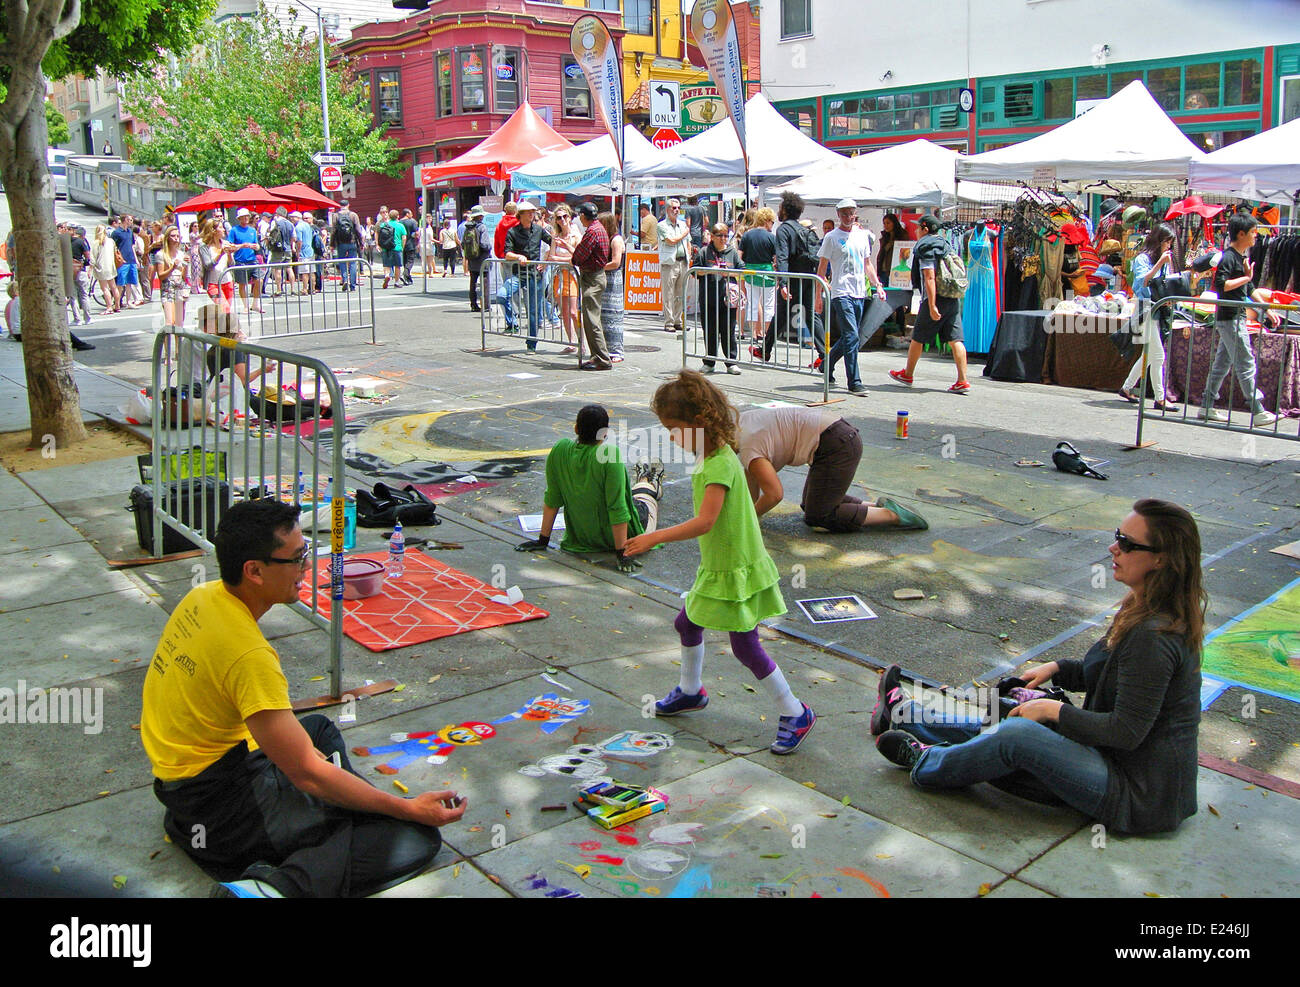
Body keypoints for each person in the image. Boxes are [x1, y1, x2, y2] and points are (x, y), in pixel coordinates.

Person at [141, 499, 465, 897]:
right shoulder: (248, 656)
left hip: (187, 788)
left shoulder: (204, 597)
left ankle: (336, 817)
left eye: (307, 553)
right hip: (223, 804)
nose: (307, 568)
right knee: (412, 837)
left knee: (319, 730)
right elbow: (306, 773)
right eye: (297, 559)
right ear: (254, 571)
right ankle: (275, 888)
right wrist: (405, 808)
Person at [872, 499, 1205, 836]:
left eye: (1127, 544)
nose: (1113, 548)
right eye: (1118, 536)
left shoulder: (1154, 636)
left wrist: (1051, 710)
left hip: (1136, 794)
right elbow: (1104, 672)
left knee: (1018, 734)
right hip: (1111, 761)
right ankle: (904, 715)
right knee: (1008, 716)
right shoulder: (1141, 606)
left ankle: (926, 763)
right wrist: (1057, 669)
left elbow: (1126, 732)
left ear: (1162, 559)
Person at [623, 371, 816, 755]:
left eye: (674, 428)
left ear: (699, 423)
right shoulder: (714, 455)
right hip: (723, 564)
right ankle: (692, 692)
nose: (672, 437)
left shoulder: (716, 465)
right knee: (686, 622)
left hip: (733, 567)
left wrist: (653, 536)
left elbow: (705, 521)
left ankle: (795, 711)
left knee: (745, 646)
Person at [515, 405, 663, 571]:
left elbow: (552, 498)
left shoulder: (560, 449)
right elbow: (618, 509)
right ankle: (649, 478)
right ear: (605, 433)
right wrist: (622, 554)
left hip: (581, 539)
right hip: (620, 536)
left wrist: (543, 540)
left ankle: (645, 477)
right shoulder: (609, 455)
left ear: (576, 428)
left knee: (634, 496)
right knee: (646, 499)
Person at [740, 406, 929, 532]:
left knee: (819, 516)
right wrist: (750, 511)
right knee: (810, 505)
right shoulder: (740, 422)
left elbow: (774, 494)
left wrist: (746, 522)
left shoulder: (748, 446)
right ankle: (876, 507)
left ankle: (892, 515)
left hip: (836, 444)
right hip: (835, 436)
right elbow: (752, 478)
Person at [1198, 213, 1279, 427]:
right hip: (1230, 318)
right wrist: (1246, 277)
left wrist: (1266, 310)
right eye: (1253, 232)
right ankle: (1257, 409)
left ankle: (1206, 406)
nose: (1255, 236)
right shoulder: (1228, 257)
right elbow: (1222, 285)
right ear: (1241, 233)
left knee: (1222, 364)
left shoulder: (1240, 257)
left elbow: (1249, 288)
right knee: (1245, 362)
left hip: (1234, 318)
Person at [888, 214, 971, 394]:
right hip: (952, 296)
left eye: (918, 228)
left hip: (936, 297)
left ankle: (908, 374)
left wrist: (932, 304)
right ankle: (963, 380)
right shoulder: (945, 244)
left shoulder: (926, 247)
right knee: (955, 339)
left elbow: (929, 276)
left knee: (918, 337)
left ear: (925, 229)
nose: (916, 231)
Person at [816, 197, 884, 395]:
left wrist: (877, 284)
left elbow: (867, 264)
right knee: (852, 335)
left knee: (849, 336)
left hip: (859, 292)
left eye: (850, 213)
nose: (847, 217)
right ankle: (854, 381)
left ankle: (826, 363)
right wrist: (818, 296)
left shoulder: (862, 236)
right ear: (838, 215)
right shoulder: (831, 238)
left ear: (855, 214)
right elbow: (822, 268)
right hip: (841, 292)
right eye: (844, 213)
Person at [1118, 223, 1180, 411]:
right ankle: (1160, 399)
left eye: (1170, 243)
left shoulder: (1162, 259)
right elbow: (1143, 282)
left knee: (1149, 355)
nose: (1168, 246)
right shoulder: (1143, 259)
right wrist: (1161, 263)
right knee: (1158, 355)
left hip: (1158, 309)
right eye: (1167, 242)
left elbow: (1164, 285)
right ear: (1158, 241)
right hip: (1145, 309)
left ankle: (1127, 387)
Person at [758, 192, 820, 363]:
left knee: (783, 313)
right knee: (807, 315)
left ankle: (765, 350)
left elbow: (782, 257)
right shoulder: (803, 229)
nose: (779, 210)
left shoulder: (784, 229)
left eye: (780, 207)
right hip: (807, 277)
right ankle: (824, 354)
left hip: (792, 278)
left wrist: (783, 282)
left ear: (785, 209)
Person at [503, 200, 553, 353]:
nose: (532, 214)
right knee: (502, 295)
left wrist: (546, 260)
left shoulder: (538, 230)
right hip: (519, 274)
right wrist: (518, 256)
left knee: (533, 310)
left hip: (534, 275)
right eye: (529, 212)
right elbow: (507, 253)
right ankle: (512, 323)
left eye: (533, 212)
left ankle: (531, 343)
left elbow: (553, 242)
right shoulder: (513, 232)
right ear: (521, 215)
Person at [696, 222, 742, 375]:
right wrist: (710, 270)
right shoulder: (704, 252)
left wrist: (729, 272)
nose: (723, 239)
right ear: (712, 236)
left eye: (726, 236)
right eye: (720, 236)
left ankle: (731, 362)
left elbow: (742, 271)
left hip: (727, 299)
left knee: (728, 330)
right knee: (710, 330)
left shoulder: (732, 252)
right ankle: (709, 362)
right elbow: (695, 272)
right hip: (708, 298)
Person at [572, 201, 611, 371]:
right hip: (596, 276)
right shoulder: (598, 228)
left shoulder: (593, 231)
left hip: (593, 277)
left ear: (583, 216)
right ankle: (597, 356)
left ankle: (602, 358)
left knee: (592, 321)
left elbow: (580, 254)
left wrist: (575, 259)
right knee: (591, 319)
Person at [739, 206, 778, 347]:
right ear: (767, 220)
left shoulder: (747, 235)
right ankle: (767, 336)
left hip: (750, 273)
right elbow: (776, 259)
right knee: (768, 305)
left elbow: (740, 256)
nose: (772, 224)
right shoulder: (772, 237)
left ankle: (754, 335)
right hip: (767, 273)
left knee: (752, 303)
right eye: (772, 222)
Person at [548, 206, 581, 354]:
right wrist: (566, 259)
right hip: (559, 276)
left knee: (574, 312)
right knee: (565, 312)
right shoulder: (556, 236)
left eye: (564, 216)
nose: (562, 220)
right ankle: (571, 342)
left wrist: (566, 249)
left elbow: (577, 257)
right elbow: (551, 257)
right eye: (559, 218)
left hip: (572, 275)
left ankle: (581, 342)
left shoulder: (575, 235)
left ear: (569, 217)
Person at [657, 198, 690, 333]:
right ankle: (669, 322)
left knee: (681, 293)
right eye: (673, 208)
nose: (676, 210)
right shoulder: (662, 225)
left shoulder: (682, 224)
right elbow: (671, 241)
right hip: (670, 263)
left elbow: (688, 242)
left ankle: (678, 320)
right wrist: (684, 234)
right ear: (667, 210)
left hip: (683, 261)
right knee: (668, 293)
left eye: (678, 208)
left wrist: (689, 255)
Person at [598, 211, 627, 364]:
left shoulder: (616, 239)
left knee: (613, 315)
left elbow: (615, 262)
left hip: (613, 279)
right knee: (603, 316)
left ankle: (616, 350)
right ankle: (605, 349)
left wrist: (598, 267)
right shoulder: (604, 238)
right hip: (603, 278)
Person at [227, 208, 263, 316]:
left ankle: (255, 303)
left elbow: (257, 245)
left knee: (259, 280)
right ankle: (246, 306)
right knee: (242, 284)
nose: (246, 218)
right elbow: (230, 246)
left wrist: (255, 246)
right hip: (240, 260)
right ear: (239, 218)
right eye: (244, 216)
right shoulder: (234, 230)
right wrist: (242, 246)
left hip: (252, 259)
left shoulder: (252, 230)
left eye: (247, 216)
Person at [154, 226, 190, 335]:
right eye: (173, 236)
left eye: (178, 236)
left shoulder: (181, 253)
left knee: (179, 324)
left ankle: (178, 351)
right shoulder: (161, 254)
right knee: (170, 323)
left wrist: (186, 265)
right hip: (167, 288)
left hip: (180, 287)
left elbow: (184, 276)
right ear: (167, 238)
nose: (176, 238)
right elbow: (161, 276)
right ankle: (167, 351)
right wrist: (172, 267)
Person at [462, 206, 490, 312]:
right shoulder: (482, 227)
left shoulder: (467, 227)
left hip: (472, 259)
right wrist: (489, 248)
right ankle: (485, 305)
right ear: (481, 216)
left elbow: (462, 243)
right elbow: (485, 244)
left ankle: (473, 304)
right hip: (483, 259)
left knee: (472, 282)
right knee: (485, 283)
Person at [330, 200, 362, 292]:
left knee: (342, 262)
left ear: (340, 206)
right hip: (352, 242)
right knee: (352, 263)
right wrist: (361, 243)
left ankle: (344, 280)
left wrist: (332, 244)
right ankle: (352, 285)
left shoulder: (335, 216)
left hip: (341, 242)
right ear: (348, 205)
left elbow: (333, 231)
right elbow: (358, 230)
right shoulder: (353, 215)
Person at [90, 224, 122, 313]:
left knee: (104, 288)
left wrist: (90, 269)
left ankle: (109, 307)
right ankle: (117, 305)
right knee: (114, 287)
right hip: (110, 266)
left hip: (101, 267)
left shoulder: (96, 242)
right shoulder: (111, 241)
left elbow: (93, 258)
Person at [266, 206, 297, 295]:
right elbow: (294, 237)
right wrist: (291, 245)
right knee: (289, 268)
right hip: (288, 248)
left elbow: (270, 235)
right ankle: (292, 289)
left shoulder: (275, 223)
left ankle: (279, 289)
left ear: (277, 214)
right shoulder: (290, 224)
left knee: (277, 269)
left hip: (277, 249)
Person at [378, 210, 406, 290]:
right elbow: (404, 238)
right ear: (397, 217)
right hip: (397, 247)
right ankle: (396, 282)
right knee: (397, 266)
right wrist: (402, 247)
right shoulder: (400, 226)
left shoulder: (384, 224)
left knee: (387, 264)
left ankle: (387, 275)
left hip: (386, 247)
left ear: (389, 216)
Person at [400, 209, 419, 285]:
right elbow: (416, 233)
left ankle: (407, 278)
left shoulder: (399, 222)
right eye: (411, 213)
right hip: (410, 244)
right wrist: (417, 242)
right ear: (407, 214)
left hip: (402, 244)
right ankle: (406, 273)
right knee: (410, 260)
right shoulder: (412, 222)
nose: (412, 215)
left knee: (405, 261)